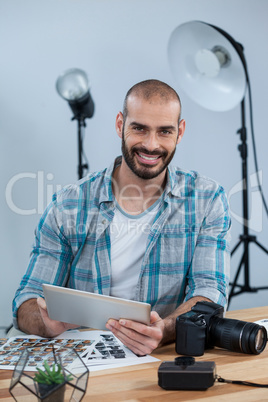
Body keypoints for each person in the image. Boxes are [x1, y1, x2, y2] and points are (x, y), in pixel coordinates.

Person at [12, 79, 231, 356]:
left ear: (180, 132)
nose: (151, 145)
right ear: (120, 125)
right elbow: (26, 299)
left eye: (164, 131)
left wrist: (164, 331)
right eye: (139, 128)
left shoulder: (207, 199)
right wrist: (45, 322)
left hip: (160, 355)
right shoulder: (69, 203)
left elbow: (209, 292)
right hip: (84, 357)